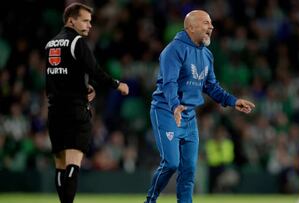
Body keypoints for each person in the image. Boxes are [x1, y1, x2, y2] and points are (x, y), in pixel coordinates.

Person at [144, 10, 255, 203]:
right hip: (166, 111)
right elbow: (169, 83)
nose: (211, 27)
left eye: (211, 23)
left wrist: (233, 101)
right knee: (171, 163)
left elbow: (211, 86)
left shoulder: (207, 55)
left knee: (189, 170)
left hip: (188, 116)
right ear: (191, 27)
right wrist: (174, 106)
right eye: (206, 23)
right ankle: (150, 200)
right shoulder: (173, 50)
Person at [45, 3, 129, 203]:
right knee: (73, 163)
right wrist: (117, 84)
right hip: (75, 110)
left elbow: (54, 79)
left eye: (90, 21)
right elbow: (95, 71)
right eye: (85, 20)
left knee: (60, 163)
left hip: (54, 110)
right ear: (71, 20)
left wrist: (85, 87)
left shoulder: (51, 44)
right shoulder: (78, 42)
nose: (89, 25)